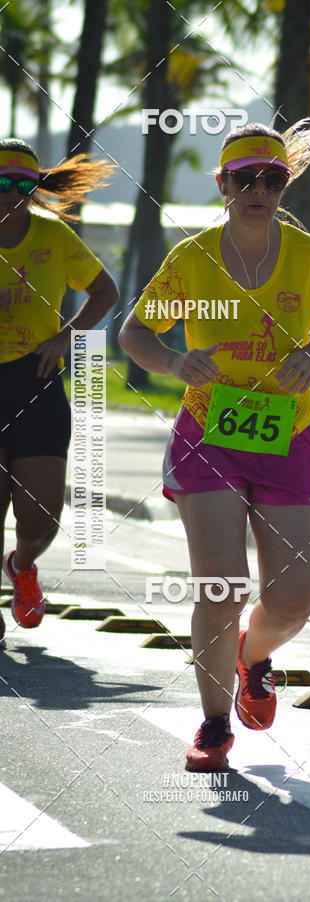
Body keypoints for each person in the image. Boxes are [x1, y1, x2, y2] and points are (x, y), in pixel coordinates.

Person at [118, 120, 310, 770]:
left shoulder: (309, 255)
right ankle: (210, 724)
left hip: (287, 437)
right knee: (221, 588)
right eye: (245, 179)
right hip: (209, 436)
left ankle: (253, 657)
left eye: (272, 178)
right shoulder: (192, 257)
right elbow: (134, 333)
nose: (259, 189)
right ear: (223, 186)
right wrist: (175, 364)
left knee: (291, 601)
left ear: (283, 186)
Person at [0, 139, 119, 649]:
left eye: (25, 185)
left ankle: (22, 566)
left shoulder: (55, 237)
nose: (12, 194)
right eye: (2, 182)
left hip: (36, 379)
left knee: (42, 517)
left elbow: (106, 292)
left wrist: (66, 337)